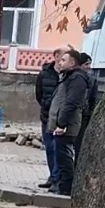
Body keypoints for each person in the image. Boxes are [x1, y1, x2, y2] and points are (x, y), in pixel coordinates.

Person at [48, 49, 94, 196]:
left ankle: (66, 187)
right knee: (60, 156)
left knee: (65, 156)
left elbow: (71, 103)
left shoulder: (77, 79)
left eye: (63, 60)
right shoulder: (68, 77)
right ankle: (61, 185)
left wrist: (62, 124)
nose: (60, 63)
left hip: (68, 125)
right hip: (63, 123)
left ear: (72, 63)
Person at [35, 45, 71, 189]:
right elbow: (39, 94)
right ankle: (53, 177)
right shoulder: (45, 74)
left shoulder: (68, 76)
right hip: (46, 116)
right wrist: (46, 105)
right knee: (50, 148)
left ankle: (57, 179)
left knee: (59, 149)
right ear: (56, 57)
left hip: (61, 118)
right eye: (63, 57)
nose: (64, 61)